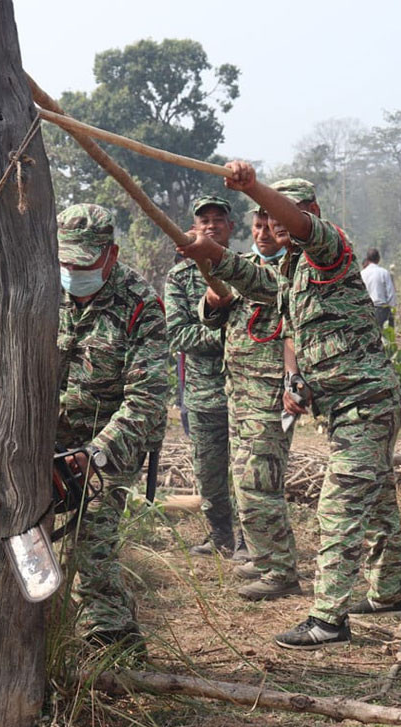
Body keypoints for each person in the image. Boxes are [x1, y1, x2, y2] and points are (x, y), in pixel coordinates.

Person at [179, 168, 401, 650]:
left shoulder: (331, 250)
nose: (274, 224)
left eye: (283, 214)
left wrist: (252, 188)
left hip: (364, 405)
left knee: (339, 506)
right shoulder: (292, 272)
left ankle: (329, 620)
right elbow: (252, 281)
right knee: (378, 502)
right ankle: (389, 593)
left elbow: (299, 227)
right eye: (264, 217)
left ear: (312, 214)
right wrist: (212, 254)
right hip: (349, 408)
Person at [56, 203, 169, 650]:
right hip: (48, 433)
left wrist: (94, 453)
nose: (72, 272)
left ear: (111, 255)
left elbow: (145, 399)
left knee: (92, 538)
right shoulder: (42, 290)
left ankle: (115, 643)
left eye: (83, 264)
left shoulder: (141, 305)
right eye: (65, 262)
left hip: (111, 440)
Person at [199, 208, 301, 601]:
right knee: (244, 478)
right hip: (238, 390)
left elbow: (288, 323)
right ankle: (263, 555)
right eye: (257, 227)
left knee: (259, 479)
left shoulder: (293, 272)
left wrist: (294, 382)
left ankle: (280, 571)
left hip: (269, 392)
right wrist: (212, 303)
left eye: (271, 229)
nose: (263, 235)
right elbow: (212, 318)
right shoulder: (243, 265)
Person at [165, 195, 242, 559]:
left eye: (218, 219)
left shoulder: (248, 271)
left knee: (249, 473)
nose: (211, 225)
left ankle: (253, 540)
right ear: (194, 229)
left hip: (247, 391)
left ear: (231, 227)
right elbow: (179, 334)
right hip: (202, 394)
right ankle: (220, 536)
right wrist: (229, 336)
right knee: (209, 473)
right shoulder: (179, 278)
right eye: (204, 220)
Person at [361, 247, 396, 328]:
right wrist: (392, 310)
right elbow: (391, 294)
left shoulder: (362, 274)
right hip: (382, 310)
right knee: (386, 337)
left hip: (366, 311)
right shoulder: (384, 273)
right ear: (378, 259)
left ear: (367, 259)